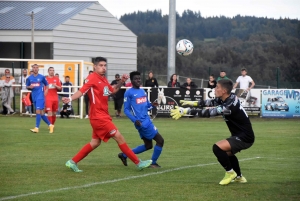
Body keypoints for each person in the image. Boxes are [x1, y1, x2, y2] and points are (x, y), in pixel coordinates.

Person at [62, 57, 152, 172]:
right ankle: (138, 163)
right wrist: (69, 98)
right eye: (101, 65)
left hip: (102, 116)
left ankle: (72, 162)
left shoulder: (103, 79)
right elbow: (82, 90)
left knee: (95, 143)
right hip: (98, 117)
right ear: (94, 67)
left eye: (105, 65)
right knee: (119, 137)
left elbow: (112, 91)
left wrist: (122, 81)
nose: (104, 68)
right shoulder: (92, 78)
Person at [170, 79, 255, 185]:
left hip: (245, 137)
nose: (215, 89)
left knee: (217, 148)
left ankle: (230, 173)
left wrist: (186, 111)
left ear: (224, 90)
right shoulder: (228, 97)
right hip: (240, 135)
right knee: (227, 153)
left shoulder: (229, 106)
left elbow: (209, 112)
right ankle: (239, 177)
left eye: (217, 87)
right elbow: (210, 102)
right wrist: (193, 103)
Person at [118, 71, 164, 168]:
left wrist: (152, 105)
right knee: (160, 141)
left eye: (139, 78)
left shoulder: (142, 91)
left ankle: (124, 155)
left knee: (148, 145)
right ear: (131, 80)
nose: (138, 80)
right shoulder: (129, 92)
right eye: (136, 79)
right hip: (142, 123)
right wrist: (135, 120)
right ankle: (153, 163)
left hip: (146, 121)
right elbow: (126, 110)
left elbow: (147, 106)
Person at [26, 64, 54, 133]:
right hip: (34, 96)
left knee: (37, 111)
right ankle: (50, 125)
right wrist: (30, 87)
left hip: (40, 96)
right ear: (32, 69)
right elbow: (27, 86)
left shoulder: (41, 77)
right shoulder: (29, 78)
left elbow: (47, 84)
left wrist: (46, 90)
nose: (35, 69)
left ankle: (36, 128)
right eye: (34, 67)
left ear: (38, 69)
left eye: (36, 68)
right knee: (41, 113)